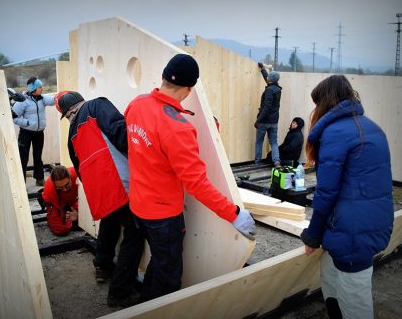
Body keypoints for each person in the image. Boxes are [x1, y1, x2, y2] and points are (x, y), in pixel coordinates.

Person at [124, 53, 256, 302]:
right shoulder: (178, 127)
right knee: (169, 276)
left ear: (163, 78)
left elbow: (150, 146)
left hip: (138, 205)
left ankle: (144, 305)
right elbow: (197, 183)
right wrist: (234, 214)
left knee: (160, 261)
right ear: (189, 89)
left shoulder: (136, 104)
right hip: (163, 216)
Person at [299, 75, 394, 319]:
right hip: (370, 222)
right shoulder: (372, 128)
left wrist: (313, 234)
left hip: (352, 230)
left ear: (325, 103)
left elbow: (326, 192)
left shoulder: (335, 133)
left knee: (354, 298)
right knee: (331, 274)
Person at [55, 90, 144, 307]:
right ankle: (120, 292)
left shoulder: (71, 138)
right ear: (80, 101)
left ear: (67, 113)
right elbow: (120, 132)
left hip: (99, 192)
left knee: (110, 222)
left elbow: (80, 172)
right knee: (135, 233)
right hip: (120, 183)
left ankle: (102, 266)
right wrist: (144, 158)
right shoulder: (96, 105)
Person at [12, 76, 55, 186]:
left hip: (39, 133)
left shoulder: (42, 98)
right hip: (26, 133)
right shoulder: (23, 101)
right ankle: (21, 184)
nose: (42, 88)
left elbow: (53, 100)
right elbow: (13, 116)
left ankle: (39, 179)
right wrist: (27, 123)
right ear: (33, 89)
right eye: (40, 87)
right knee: (23, 158)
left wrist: (63, 96)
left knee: (38, 156)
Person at [254, 62, 282, 167]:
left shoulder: (269, 91)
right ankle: (277, 162)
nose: (268, 79)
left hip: (264, 121)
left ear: (270, 80)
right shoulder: (277, 88)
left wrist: (258, 120)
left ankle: (257, 163)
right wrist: (263, 69)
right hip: (274, 121)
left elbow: (266, 108)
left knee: (259, 142)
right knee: (273, 142)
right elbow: (270, 78)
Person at [41, 165, 80, 235]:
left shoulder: (78, 173)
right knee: (62, 229)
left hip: (73, 199)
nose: (64, 189)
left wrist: (79, 215)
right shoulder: (50, 189)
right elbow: (62, 210)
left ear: (70, 177)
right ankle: (50, 216)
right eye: (60, 188)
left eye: (67, 185)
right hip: (58, 203)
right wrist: (72, 216)